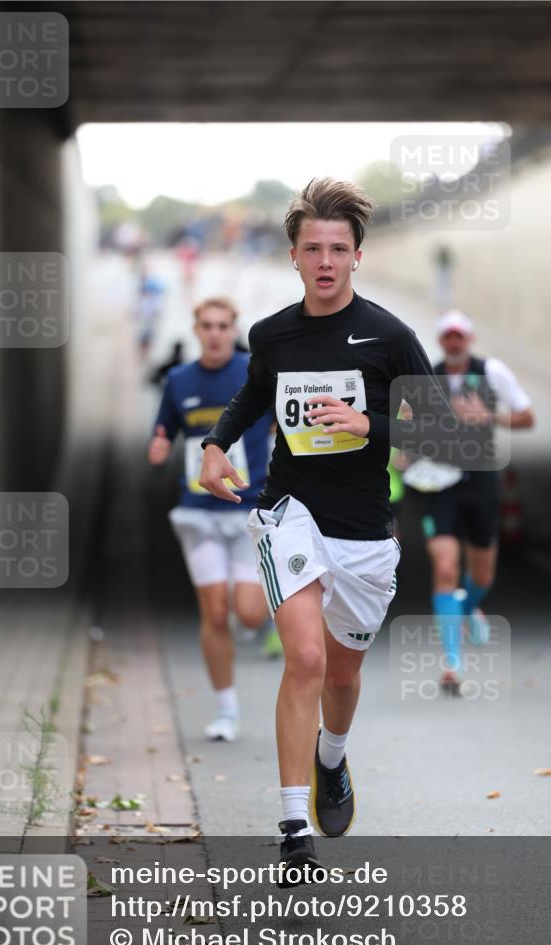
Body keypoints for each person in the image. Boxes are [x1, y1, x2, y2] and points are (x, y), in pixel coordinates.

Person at [198, 178, 470, 878]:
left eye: (338, 249)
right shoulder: (274, 334)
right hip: (291, 514)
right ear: (292, 255)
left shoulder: (389, 337)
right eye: (312, 248)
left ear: (356, 256)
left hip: (364, 535)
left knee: (341, 675)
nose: (325, 260)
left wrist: (368, 425)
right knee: (307, 661)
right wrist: (215, 444)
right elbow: (256, 391)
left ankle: (331, 756)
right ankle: (293, 829)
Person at [148, 297, 274, 741]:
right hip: (198, 512)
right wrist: (158, 449)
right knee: (215, 613)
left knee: (251, 614)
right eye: (207, 325)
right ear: (196, 329)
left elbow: (284, 423)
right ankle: (226, 709)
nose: (216, 333)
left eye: (223, 325)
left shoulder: (254, 371)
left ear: (233, 328)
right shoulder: (179, 380)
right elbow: (162, 429)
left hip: (247, 509)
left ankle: (252, 622)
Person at [404, 309, 534, 693]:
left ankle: (468, 603)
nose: (454, 342)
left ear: (470, 339)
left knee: (481, 576)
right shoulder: (428, 376)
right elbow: (406, 423)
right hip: (439, 484)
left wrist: (490, 415)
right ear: (441, 341)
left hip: (480, 483)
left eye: (460, 336)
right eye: (448, 337)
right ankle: (452, 663)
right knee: (444, 567)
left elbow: (527, 417)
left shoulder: (491, 372)